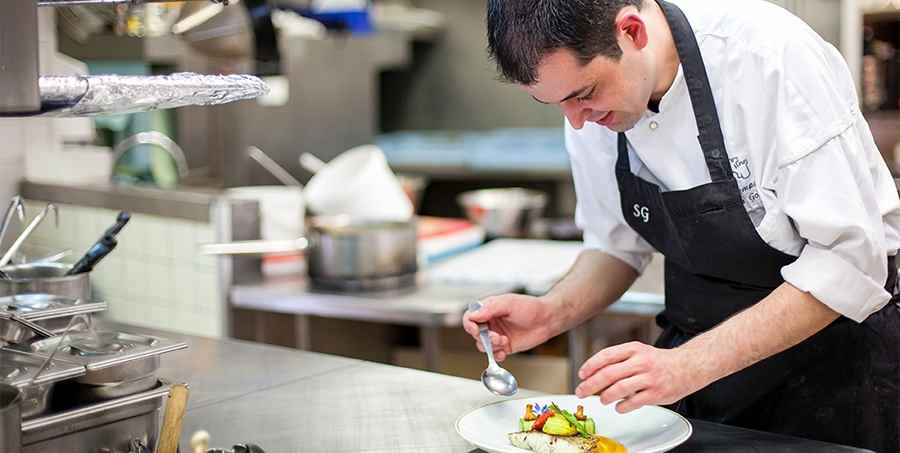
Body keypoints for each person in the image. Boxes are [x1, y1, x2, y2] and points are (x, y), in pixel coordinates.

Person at [462, 0, 900, 450]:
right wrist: (550, 312)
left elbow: (848, 261)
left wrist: (686, 366)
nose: (575, 121)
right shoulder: (589, 110)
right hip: (702, 381)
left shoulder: (768, 57)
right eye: (554, 104)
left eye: (584, 94)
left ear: (631, 32)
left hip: (834, 381)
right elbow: (617, 245)